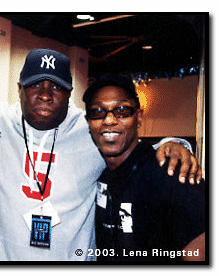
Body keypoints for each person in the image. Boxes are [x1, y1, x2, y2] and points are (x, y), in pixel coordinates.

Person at [0, 49, 201, 261]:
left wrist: (174, 144)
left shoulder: (90, 128)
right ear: (19, 89)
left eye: (57, 87)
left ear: (69, 93)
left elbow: (129, 145)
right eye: (35, 84)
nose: (46, 94)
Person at [83, 73, 205, 261]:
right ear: (89, 122)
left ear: (138, 117)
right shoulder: (99, 175)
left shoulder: (173, 173)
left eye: (122, 110)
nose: (109, 120)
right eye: (98, 112)